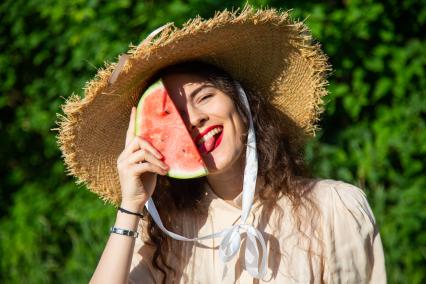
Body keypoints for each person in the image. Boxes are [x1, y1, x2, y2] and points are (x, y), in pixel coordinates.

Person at [57, 7, 386, 284]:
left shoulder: (334, 207)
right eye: (173, 116)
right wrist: (131, 207)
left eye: (205, 97)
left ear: (243, 105)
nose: (194, 119)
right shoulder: (162, 233)